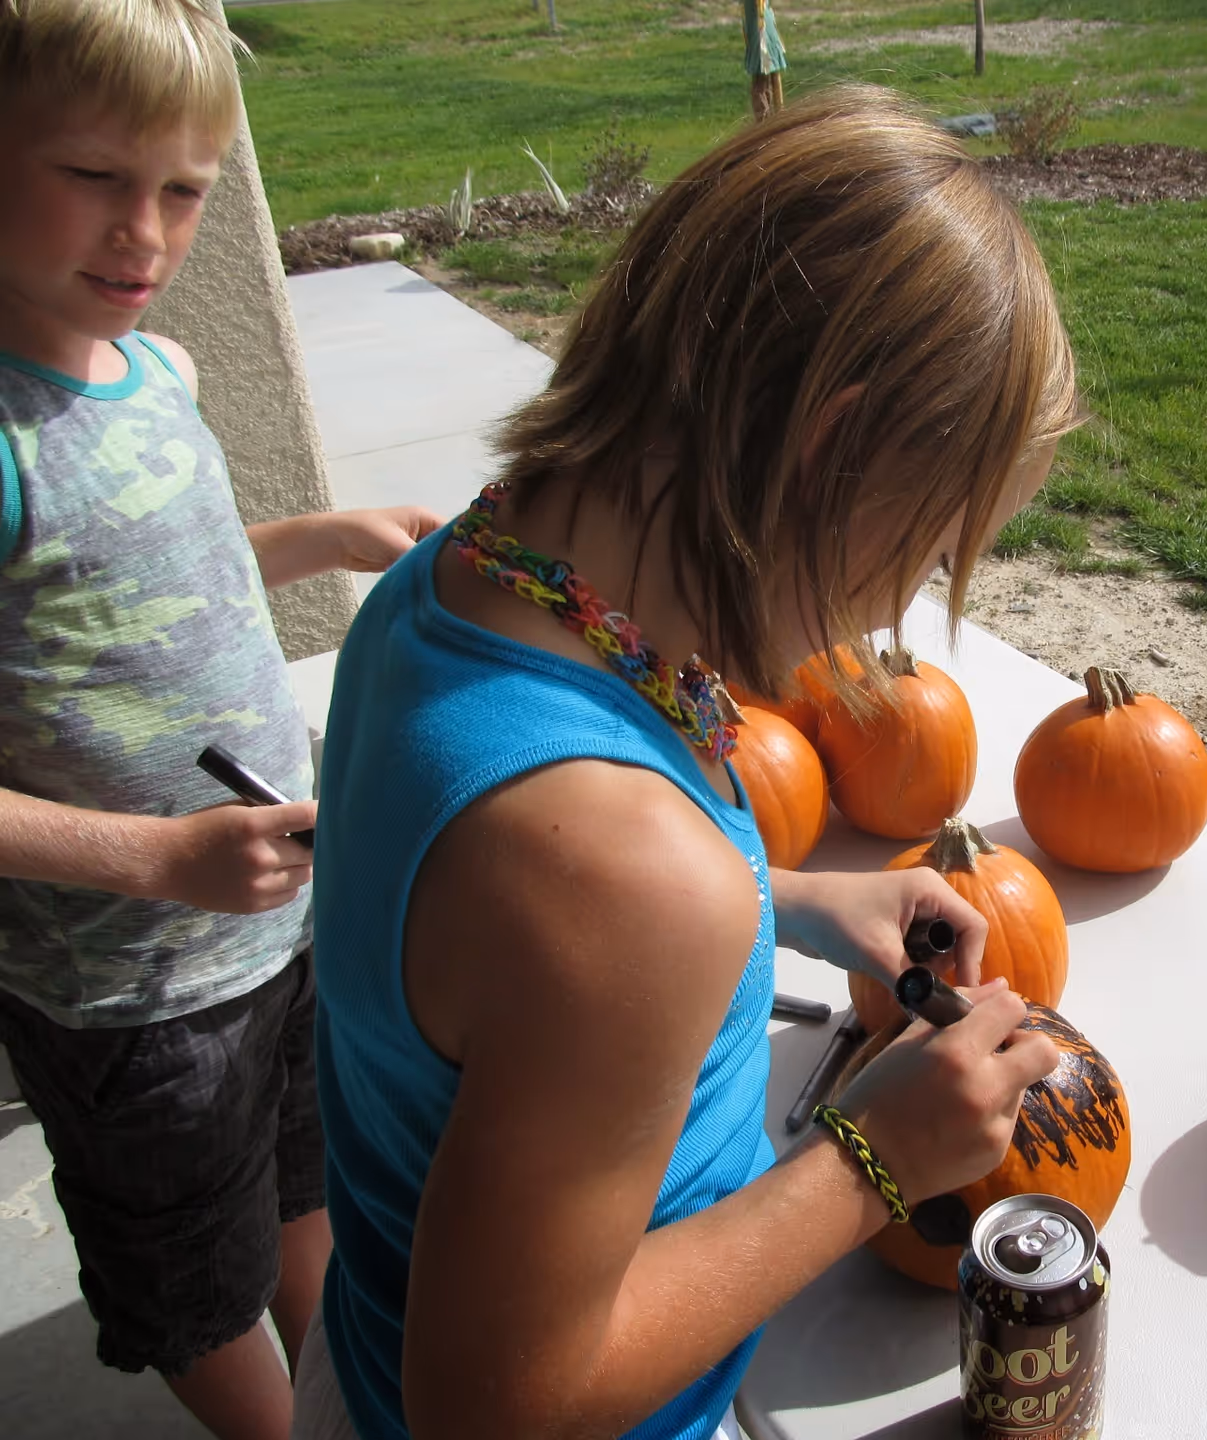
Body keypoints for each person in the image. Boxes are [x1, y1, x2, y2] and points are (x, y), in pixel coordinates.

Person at [295, 84, 1080, 1440]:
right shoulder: (623, 874)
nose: (891, 611)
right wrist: (869, 1163)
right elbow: (492, 1409)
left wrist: (790, 895)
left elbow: (503, 953)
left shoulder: (455, 585)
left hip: (350, 1357)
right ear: (828, 451)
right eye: (924, 551)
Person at [0, 4, 438, 1437]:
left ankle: (345, 1395)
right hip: (131, 993)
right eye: (93, 176)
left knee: (302, 1188)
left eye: (183, 190)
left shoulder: (163, 370)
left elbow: (140, 578)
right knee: (195, 1277)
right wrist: (157, 862)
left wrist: (315, 537)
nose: (145, 233)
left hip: (278, 922)